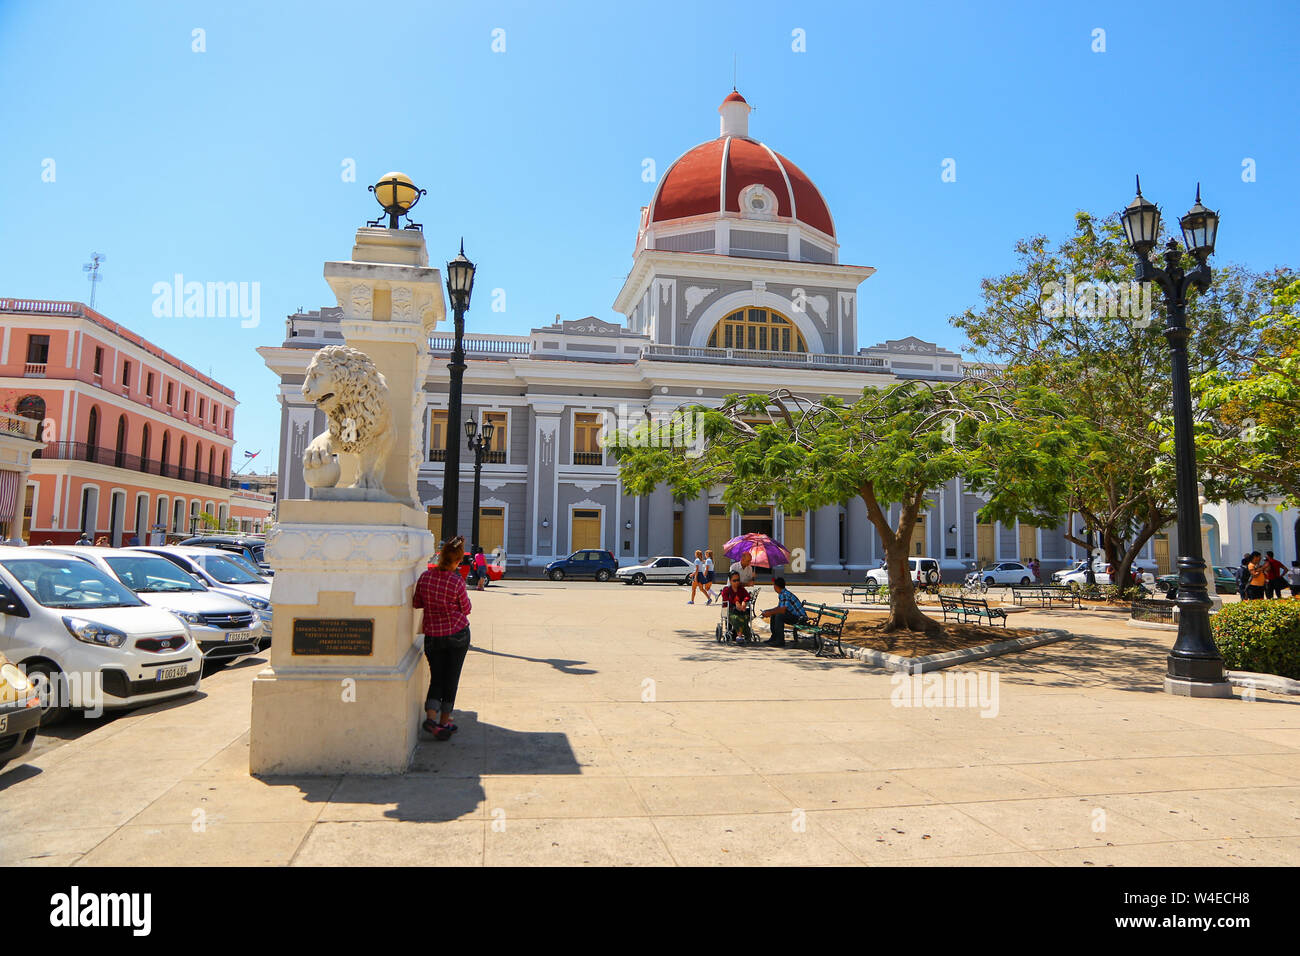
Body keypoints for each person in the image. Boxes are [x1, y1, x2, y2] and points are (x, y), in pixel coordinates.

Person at [413, 536, 473, 742]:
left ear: (440, 557)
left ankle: (431, 717)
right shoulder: (456, 581)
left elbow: (416, 602)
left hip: (433, 635)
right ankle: (444, 721)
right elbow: (467, 609)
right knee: (451, 678)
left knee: (437, 677)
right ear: (457, 561)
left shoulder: (425, 577)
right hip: (457, 634)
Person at [760, 576, 807, 646]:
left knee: (779, 616)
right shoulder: (783, 593)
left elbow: (782, 610)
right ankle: (774, 637)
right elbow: (779, 608)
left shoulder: (784, 595)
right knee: (774, 614)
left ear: (776, 586)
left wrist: (769, 612)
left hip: (800, 619)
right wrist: (768, 611)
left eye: (774, 585)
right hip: (795, 616)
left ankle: (780, 641)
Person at [720, 571, 753, 642]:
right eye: (734, 581)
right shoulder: (726, 590)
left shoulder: (741, 589)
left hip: (741, 610)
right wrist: (735, 602)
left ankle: (746, 634)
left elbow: (747, 596)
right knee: (736, 618)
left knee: (746, 616)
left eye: (738, 580)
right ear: (730, 581)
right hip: (731, 610)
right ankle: (740, 634)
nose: (736, 582)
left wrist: (744, 602)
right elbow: (725, 598)